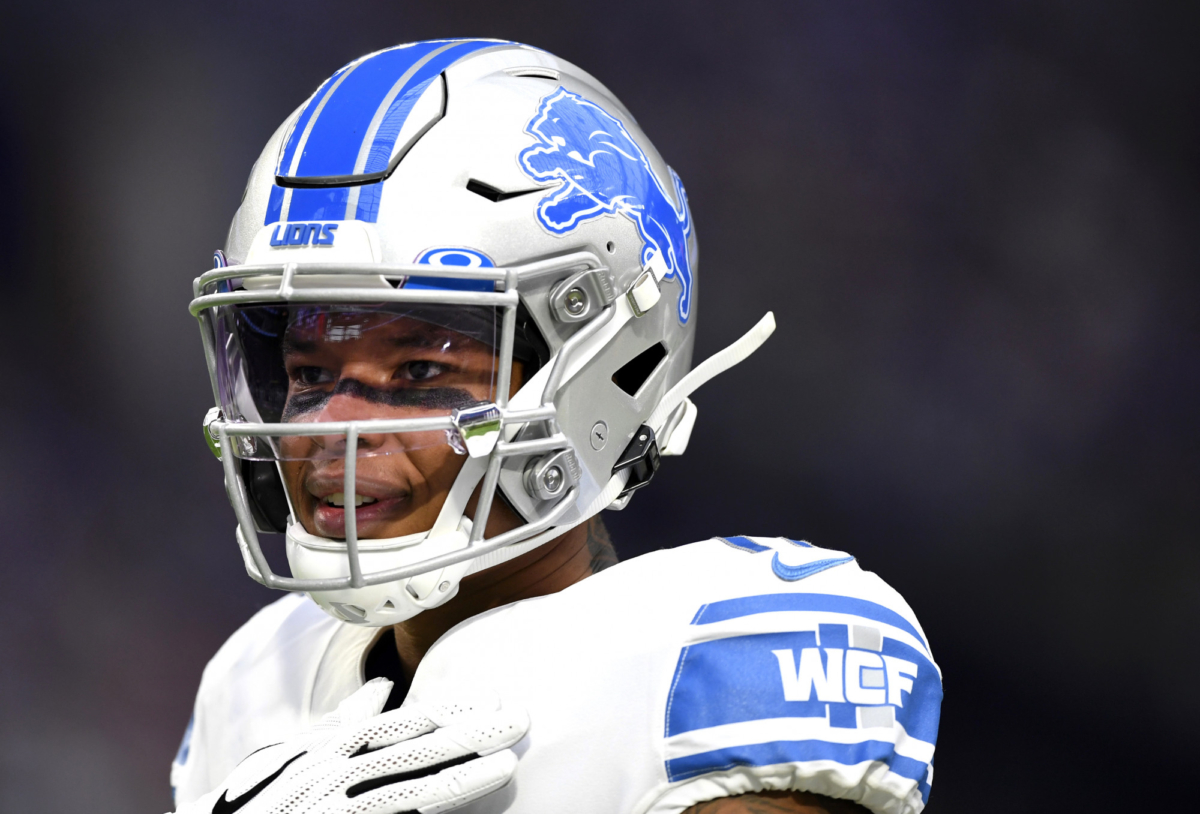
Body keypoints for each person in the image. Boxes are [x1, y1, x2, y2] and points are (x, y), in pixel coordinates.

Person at [172, 39, 942, 814]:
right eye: (309, 375)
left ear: (604, 371)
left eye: (418, 373)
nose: (335, 424)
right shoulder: (253, 681)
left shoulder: (710, 665)